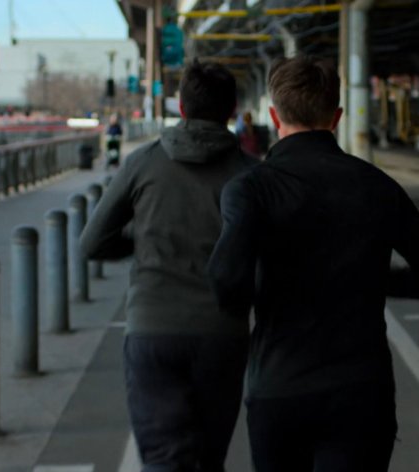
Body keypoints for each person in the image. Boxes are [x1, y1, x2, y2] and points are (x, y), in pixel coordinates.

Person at [208, 56, 419, 472]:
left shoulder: (250, 189)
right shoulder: (378, 186)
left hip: (279, 387)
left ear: (275, 116)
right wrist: (372, 278)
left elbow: (225, 285)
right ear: (337, 117)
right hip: (361, 391)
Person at [80, 60, 253, 472]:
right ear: (232, 109)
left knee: (164, 459)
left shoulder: (143, 162)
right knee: (208, 460)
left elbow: (92, 243)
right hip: (222, 333)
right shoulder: (250, 174)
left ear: (182, 106)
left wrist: (143, 240)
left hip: (152, 328)